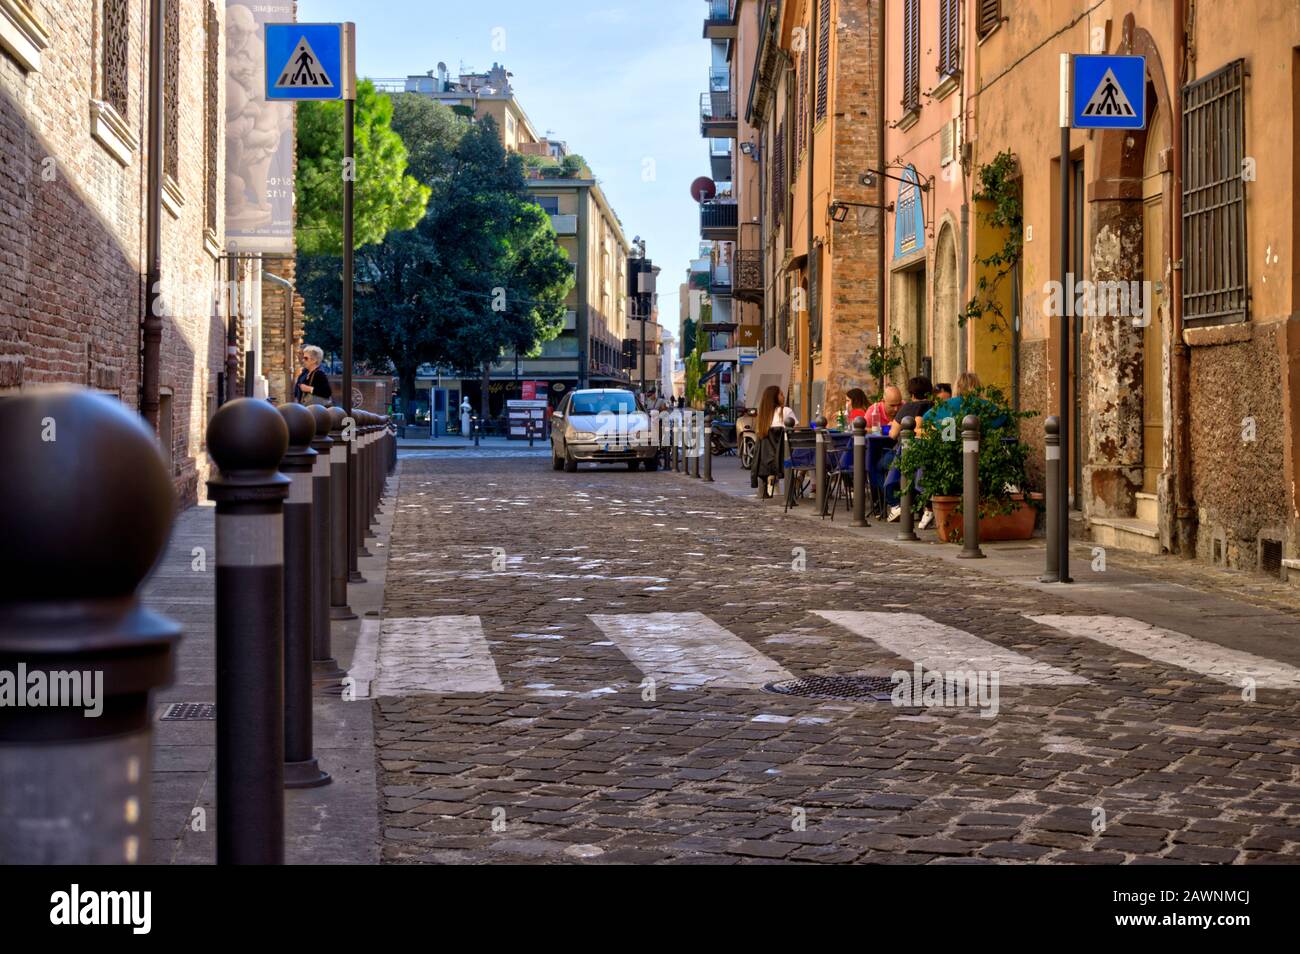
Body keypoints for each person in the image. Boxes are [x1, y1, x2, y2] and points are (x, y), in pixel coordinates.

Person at [750, 384, 793, 498]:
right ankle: (812, 486)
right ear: (774, 397)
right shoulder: (786, 411)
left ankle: (771, 479)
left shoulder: (762, 418)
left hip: (766, 461)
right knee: (811, 454)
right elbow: (795, 432)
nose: (784, 396)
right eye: (781, 394)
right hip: (786, 457)